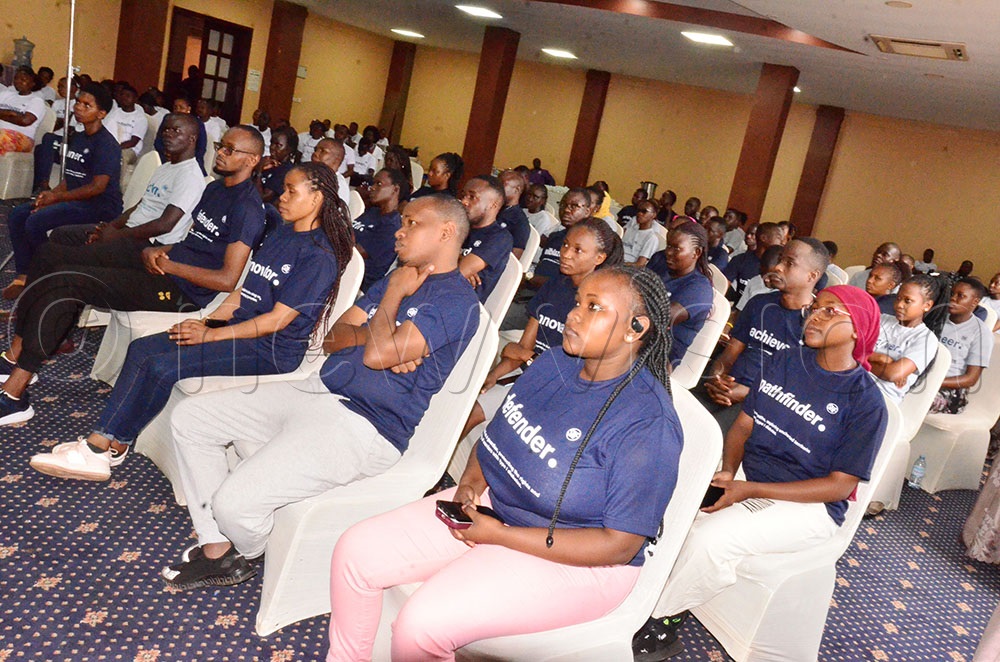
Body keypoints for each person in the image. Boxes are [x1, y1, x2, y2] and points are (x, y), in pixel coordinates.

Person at [328, 266, 682, 661]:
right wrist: (468, 487)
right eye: (578, 301)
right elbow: (492, 442)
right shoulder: (551, 366)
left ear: (635, 328)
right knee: (354, 552)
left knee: (420, 624)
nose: (574, 314)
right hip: (498, 511)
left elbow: (618, 545)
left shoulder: (648, 422)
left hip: (582, 561)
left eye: (594, 307)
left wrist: (497, 536)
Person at [159, 194, 480, 590]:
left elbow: (378, 355)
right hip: (317, 389)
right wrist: (379, 339)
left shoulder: (455, 300)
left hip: (365, 426)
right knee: (191, 418)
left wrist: (393, 299)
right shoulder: (401, 275)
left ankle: (245, 546)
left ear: (446, 232)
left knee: (233, 505)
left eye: (412, 223)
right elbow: (333, 338)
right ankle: (218, 549)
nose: (399, 230)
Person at [28, 162, 352, 480]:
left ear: (317, 198)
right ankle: (115, 443)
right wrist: (208, 323)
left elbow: (277, 320)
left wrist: (210, 337)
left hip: (271, 348)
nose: (281, 197)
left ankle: (99, 448)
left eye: (291, 191)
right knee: (143, 349)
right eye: (283, 190)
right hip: (242, 330)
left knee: (165, 365)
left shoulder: (318, 256)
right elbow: (245, 292)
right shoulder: (282, 234)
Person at [634, 285, 888, 661]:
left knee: (710, 538)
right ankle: (641, 589)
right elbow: (743, 427)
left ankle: (662, 622)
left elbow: (840, 486)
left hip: (810, 506)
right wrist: (728, 473)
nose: (815, 315)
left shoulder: (866, 402)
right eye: (815, 308)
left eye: (831, 312)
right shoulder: (787, 361)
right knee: (668, 499)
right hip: (749, 479)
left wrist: (748, 489)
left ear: (858, 331)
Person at [0, 125, 266, 426]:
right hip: (164, 263)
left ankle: (15, 394)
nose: (220, 152)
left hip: (181, 291)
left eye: (231, 150)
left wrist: (169, 265)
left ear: (253, 160)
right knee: (50, 254)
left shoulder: (248, 208)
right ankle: (16, 351)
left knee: (67, 282)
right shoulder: (215, 189)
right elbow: (195, 243)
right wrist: (160, 251)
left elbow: (227, 279)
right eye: (221, 145)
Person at [463, 217, 624, 434]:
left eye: (578, 250)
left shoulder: (599, 307)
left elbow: (570, 374)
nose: (565, 253)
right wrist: (494, 375)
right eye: (565, 244)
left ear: (599, 258)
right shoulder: (554, 286)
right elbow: (518, 348)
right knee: (466, 402)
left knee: (480, 417)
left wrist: (526, 357)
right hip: (530, 375)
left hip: (560, 393)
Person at [4, 83, 122, 295]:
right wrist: (52, 195)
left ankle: (46, 274)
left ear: (101, 114)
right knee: (17, 214)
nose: (78, 107)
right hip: (78, 200)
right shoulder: (79, 137)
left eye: (87, 105)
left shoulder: (107, 145)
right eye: (78, 102)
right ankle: (24, 274)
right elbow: (72, 178)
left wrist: (57, 199)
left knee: (35, 221)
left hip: (100, 206)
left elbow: (97, 187)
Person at [702, 239, 829, 432]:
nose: (778, 267)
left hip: (766, 406)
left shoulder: (815, 325)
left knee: (707, 432)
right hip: (727, 388)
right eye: (780, 260)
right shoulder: (759, 303)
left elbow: (797, 389)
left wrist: (748, 394)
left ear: (812, 276)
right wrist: (716, 377)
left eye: (789, 263)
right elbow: (730, 353)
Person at [869, 274, 948, 405]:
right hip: (853, 382)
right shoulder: (881, 319)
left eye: (907, 301)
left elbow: (892, 375)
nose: (899, 305)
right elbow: (848, 348)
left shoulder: (926, 339)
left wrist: (861, 360)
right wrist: (880, 359)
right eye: (898, 298)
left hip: (881, 399)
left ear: (927, 305)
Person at [648, 223, 714, 365]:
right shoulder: (660, 261)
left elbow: (659, 318)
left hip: (660, 356)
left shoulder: (700, 289)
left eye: (677, 248)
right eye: (668, 246)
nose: (668, 252)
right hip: (634, 337)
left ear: (696, 252)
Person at [930, 277, 993, 414]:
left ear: (974, 302)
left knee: (921, 400)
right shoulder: (937, 320)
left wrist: (933, 381)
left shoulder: (981, 333)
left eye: (961, 296)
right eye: (952, 293)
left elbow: (970, 379)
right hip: (925, 380)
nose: (953, 298)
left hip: (951, 391)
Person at [458, 175, 513, 302]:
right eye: (463, 195)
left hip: (459, 304)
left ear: (493, 205)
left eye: (472, 197)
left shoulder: (500, 238)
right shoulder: (458, 225)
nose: (464, 201)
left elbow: (457, 275)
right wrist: (459, 258)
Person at [528, 188, 592, 289]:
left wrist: (529, 278)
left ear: (587, 212)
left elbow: (568, 284)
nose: (566, 210)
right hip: (532, 292)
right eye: (563, 205)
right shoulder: (555, 237)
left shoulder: (588, 246)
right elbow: (541, 267)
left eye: (574, 206)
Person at [353, 168, 405, 290]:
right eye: (373, 183)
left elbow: (354, 252)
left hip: (358, 284)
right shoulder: (372, 212)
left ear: (395, 189)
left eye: (379, 184)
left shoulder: (391, 227)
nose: (372, 187)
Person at [723, 222, 785, 302]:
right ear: (763, 238)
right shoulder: (740, 259)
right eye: (779, 237)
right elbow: (724, 286)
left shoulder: (780, 266)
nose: (783, 242)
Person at [0, 66, 47, 155]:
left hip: (23, 138)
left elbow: (25, 121)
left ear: (33, 83)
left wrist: (3, 114)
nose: (18, 81)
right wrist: (10, 114)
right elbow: (19, 118)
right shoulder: (5, 95)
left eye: (23, 79)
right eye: (16, 78)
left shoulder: (36, 100)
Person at [103, 83, 147, 161]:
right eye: (122, 95)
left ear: (135, 99)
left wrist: (115, 149)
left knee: (120, 156)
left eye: (128, 96)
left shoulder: (140, 118)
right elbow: (105, 131)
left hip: (129, 150)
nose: (124, 98)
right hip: (112, 146)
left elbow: (133, 142)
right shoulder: (115, 113)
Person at [733, 244, 783, 313]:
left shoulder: (785, 294)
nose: (766, 279)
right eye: (763, 274)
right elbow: (740, 310)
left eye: (771, 276)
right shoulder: (754, 281)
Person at [496, 170, 531, 259]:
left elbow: (514, 258)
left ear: (517, 189)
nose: (497, 188)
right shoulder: (494, 209)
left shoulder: (520, 221)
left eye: (502, 184)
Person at [259, 125, 298, 204]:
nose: (272, 147)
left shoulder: (286, 171)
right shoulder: (269, 163)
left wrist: (258, 171)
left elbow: (263, 197)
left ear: (290, 149)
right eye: (271, 143)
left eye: (278, 145)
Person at [622, 199, 660, 268]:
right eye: (638, 210)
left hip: (629, 269)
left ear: (653, 215)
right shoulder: (629, 229)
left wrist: (621, 265)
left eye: (644, 211)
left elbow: (639, 264)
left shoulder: (651, 238)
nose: (639, 213)